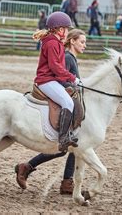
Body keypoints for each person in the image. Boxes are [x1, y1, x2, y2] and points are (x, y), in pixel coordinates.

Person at [16, 28, 87, 194]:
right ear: (73, 41)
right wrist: (73, 84)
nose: (85, 45)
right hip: (58, 95)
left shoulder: (71, 57)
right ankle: (66, 181)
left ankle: (32, 168)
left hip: (64, 95)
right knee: (68, 147)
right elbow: (60, 78)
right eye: (82, 42)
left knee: (70, 148)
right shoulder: (68, 57)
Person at [33, 11, 79, 152]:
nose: (67, 32)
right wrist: (72, 78)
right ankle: (63, 138)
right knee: (68, 102)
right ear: (60, 29)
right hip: (46, 80)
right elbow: (55, 67)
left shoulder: (56, 42)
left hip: (51, 79)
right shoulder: (52, 43)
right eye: (66, 29)